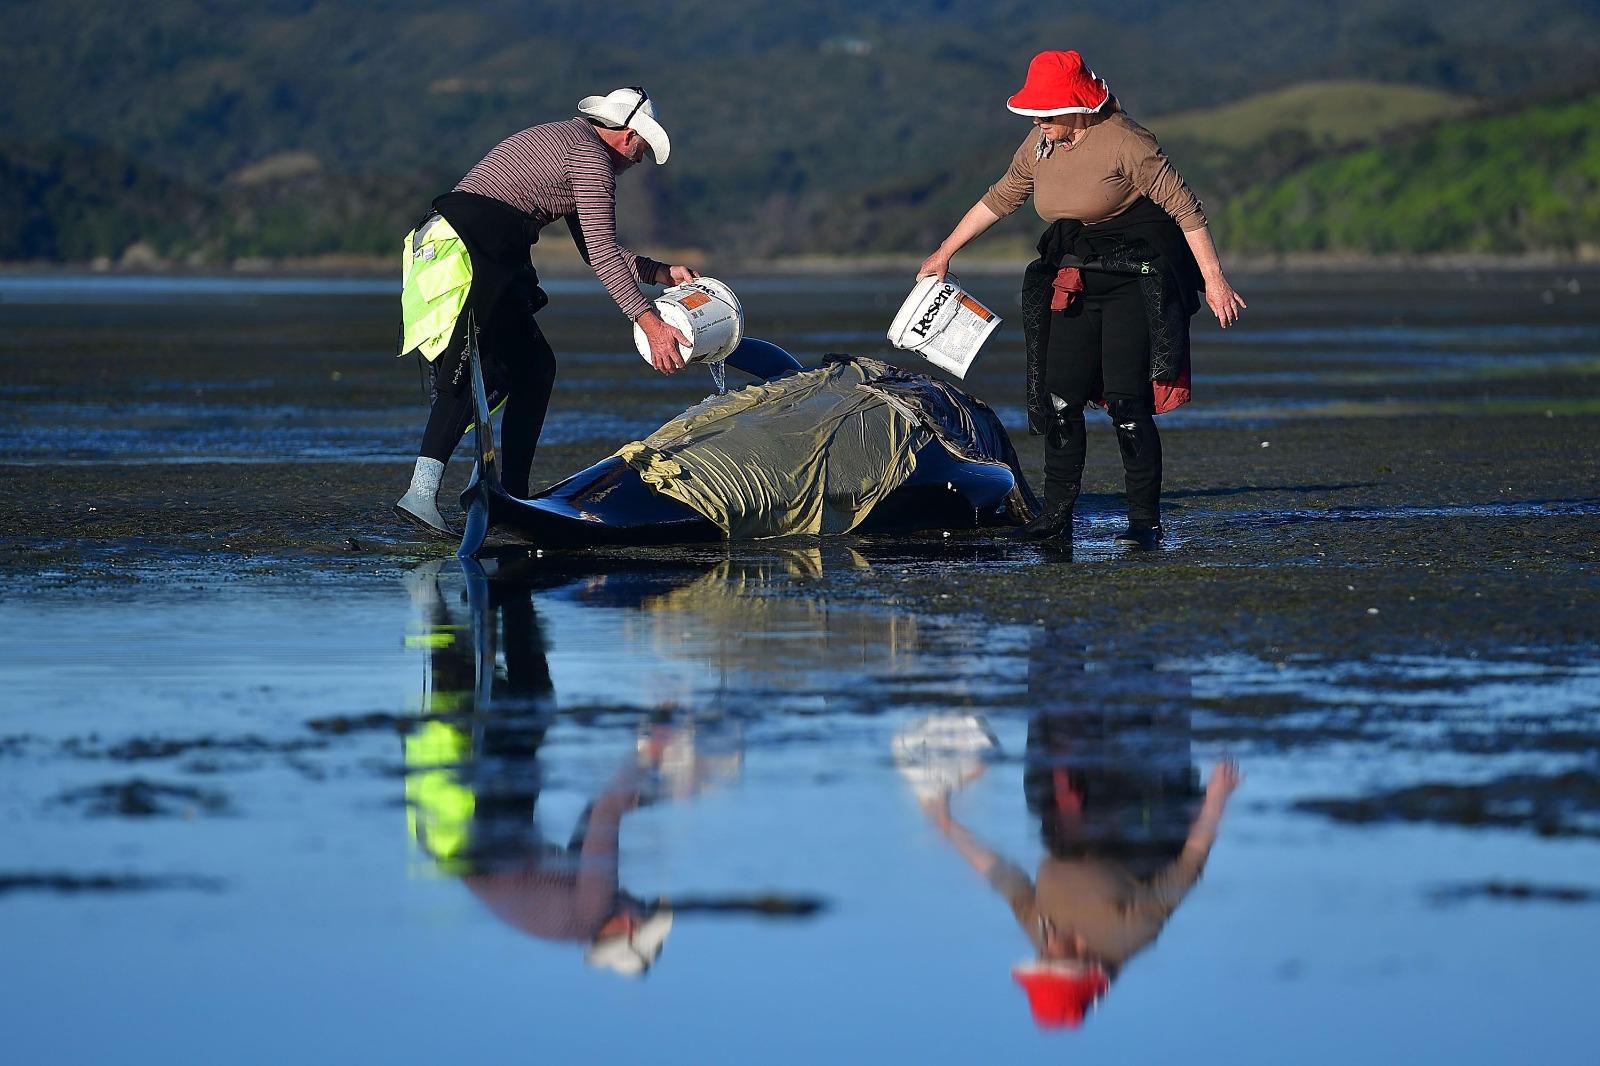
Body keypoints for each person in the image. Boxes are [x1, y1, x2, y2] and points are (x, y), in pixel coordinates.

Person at [918, 51, 1246, 549]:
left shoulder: (1126, 141)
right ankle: (1056, 518)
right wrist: (944, 252)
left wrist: (1215, 279)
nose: (1041, 125)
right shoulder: (1041, 143)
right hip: (1075, 274)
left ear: (1077, 107)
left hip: (1135, 277)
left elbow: (1186, 208)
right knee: (1059, 397)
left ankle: (1144, 521)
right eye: (1036, 116)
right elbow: (1001, 197)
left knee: (1127, 403)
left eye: (1048, 115)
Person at [395, 86, 704, 537]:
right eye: (642, 147)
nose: (640, 160)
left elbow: (597, 247)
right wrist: (650, 323)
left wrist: (662, 273)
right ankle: (421, 495)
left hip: (487, 245)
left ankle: (509, 498)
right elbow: (600, 251)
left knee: (534, 367)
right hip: (470, 245)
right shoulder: (592, 159)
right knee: (474, 367)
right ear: (627, 135)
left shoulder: (576, 146)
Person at [921, 754, 1244, 1029]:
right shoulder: (1129, 936)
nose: (1044, 950)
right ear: (1083, 967)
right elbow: (1188, 868)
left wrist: (948, 827)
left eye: (1041, 960)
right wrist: (1216, 799)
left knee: (1041, 788)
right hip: (1136, 832)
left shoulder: (1042, 935)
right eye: (1052, 959)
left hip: (1069, 829)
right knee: (1134, 753)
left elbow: (1003, 877)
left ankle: (1059, 699)